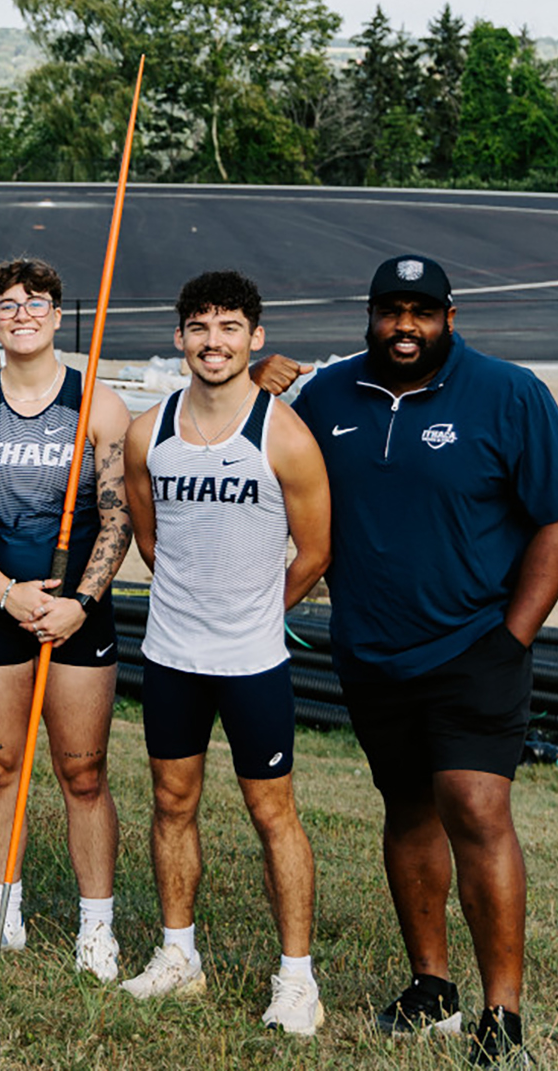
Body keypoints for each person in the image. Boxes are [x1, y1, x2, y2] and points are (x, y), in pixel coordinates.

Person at [286, 254, 558, 1067]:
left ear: (451, 318)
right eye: (391, 310)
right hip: (371, 647)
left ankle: (503, 1013)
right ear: (371, 314)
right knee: (408, 808)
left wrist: (515, 633)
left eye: (422, 312)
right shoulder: (327, 397)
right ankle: (432, 988)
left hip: (475, 645)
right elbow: (253, 444)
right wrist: (255, 374)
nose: (405, 326)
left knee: (476, 808)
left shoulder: (509, 393)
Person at [118, 271, 332, 1034]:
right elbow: (150, 538)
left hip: (253, 661)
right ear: (179, 338)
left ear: (256, 337)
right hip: (173, 653)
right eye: (200, 327)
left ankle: (297, 979)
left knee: (273, 813)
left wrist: (255, 613)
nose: (215, 341)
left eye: (230, 327)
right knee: (173, 804)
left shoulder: (284, 433)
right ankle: (179, 955)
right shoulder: (149, 431)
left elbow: (314, 550)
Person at [0, 258, 132, 981]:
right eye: (6, 304)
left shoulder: (98, 405)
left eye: (36, 301)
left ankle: (95, 927)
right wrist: (7, 592)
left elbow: (118, 515)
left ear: (55, 313)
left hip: (76, 617)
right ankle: (2, 914)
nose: (22, 313)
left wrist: (78, 603)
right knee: (0, 766)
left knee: (83, 773)